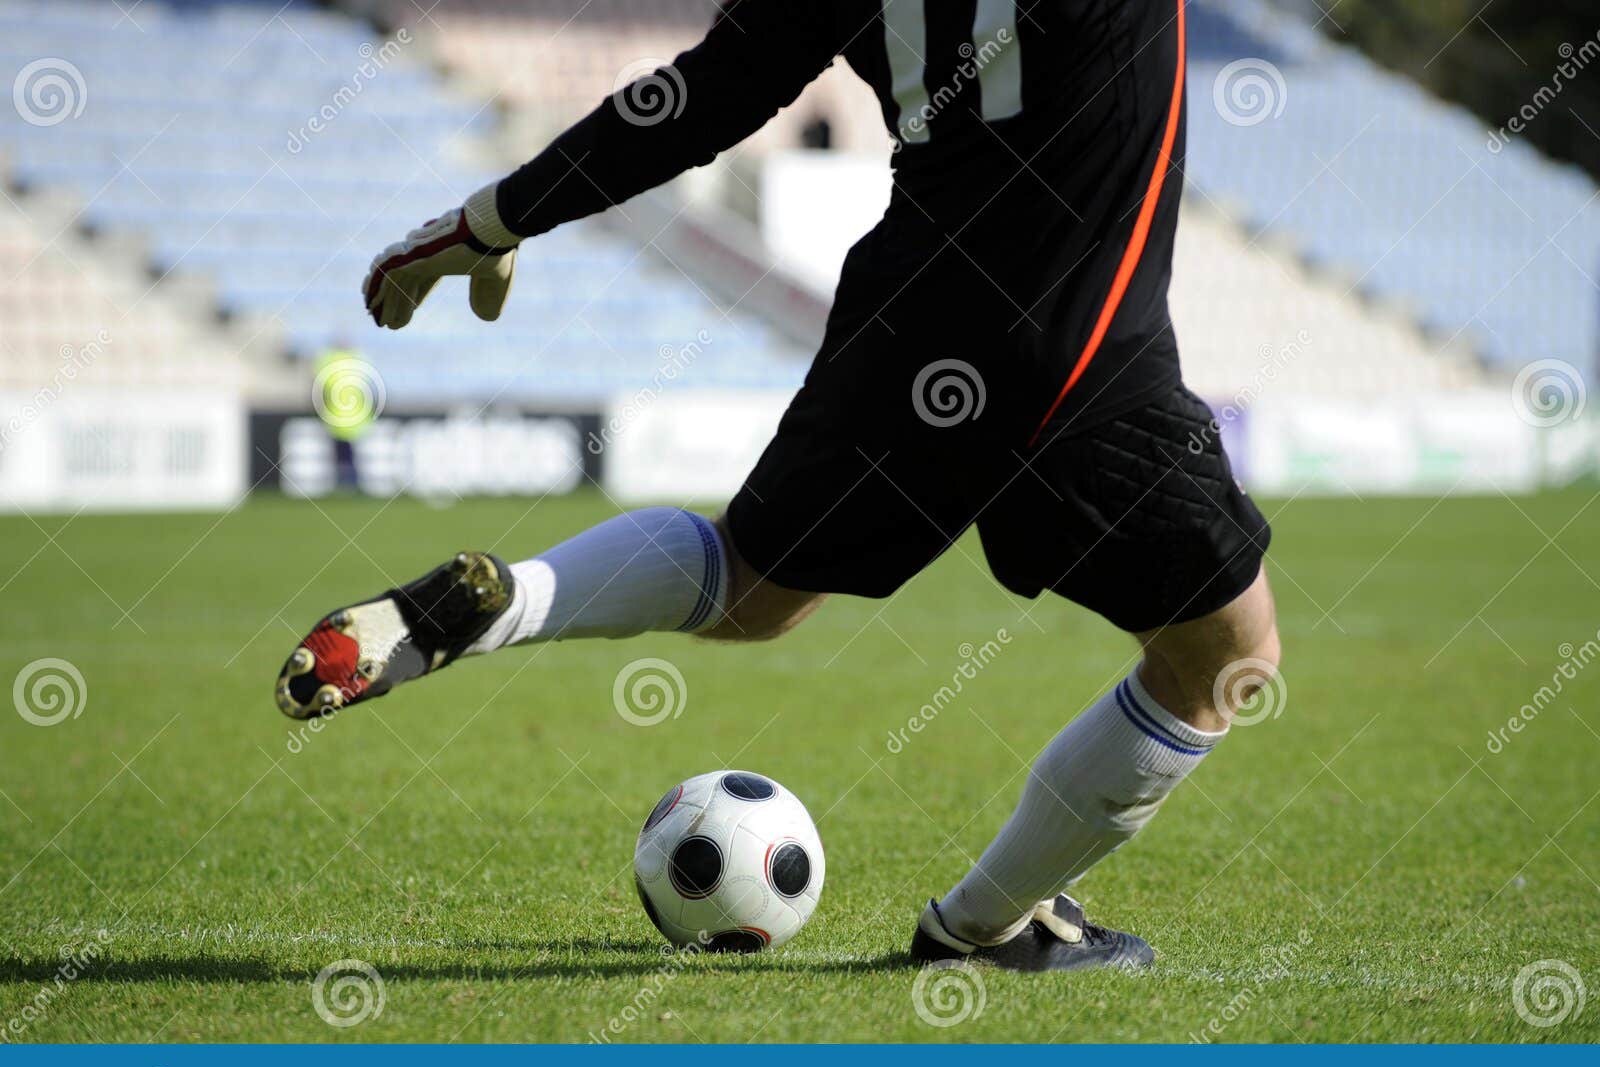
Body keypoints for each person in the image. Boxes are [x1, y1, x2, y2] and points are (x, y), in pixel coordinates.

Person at [275, 0, 1279, 971]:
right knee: (1224, 658)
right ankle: (983, 927)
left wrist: (496, 219)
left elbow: (701, 96)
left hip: (914, 306)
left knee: (749, 587)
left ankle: (506, 602)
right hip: (1079, 345)